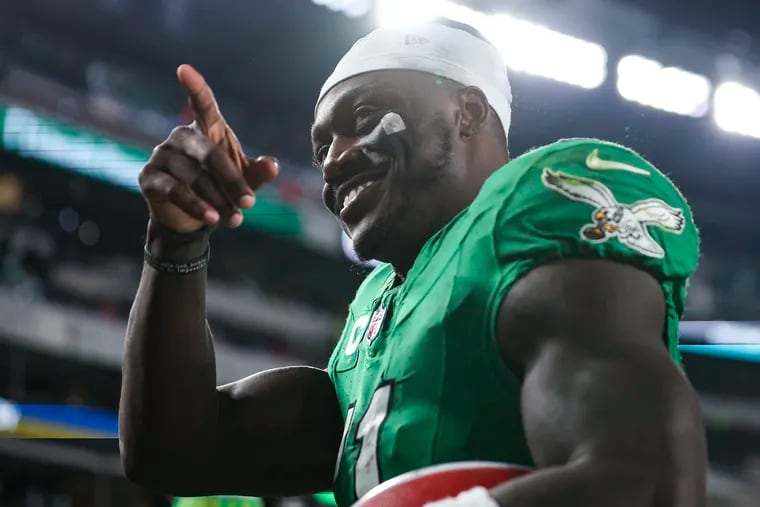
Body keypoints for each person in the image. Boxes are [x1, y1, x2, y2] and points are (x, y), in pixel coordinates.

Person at [119, 19, 707, 507]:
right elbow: (173, 454)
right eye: (322, 147)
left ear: (468, 113)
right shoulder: (373, 318)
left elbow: (646, 484)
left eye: (368, 114)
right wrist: (177, 241)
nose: (336, 160)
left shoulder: (532, 212)